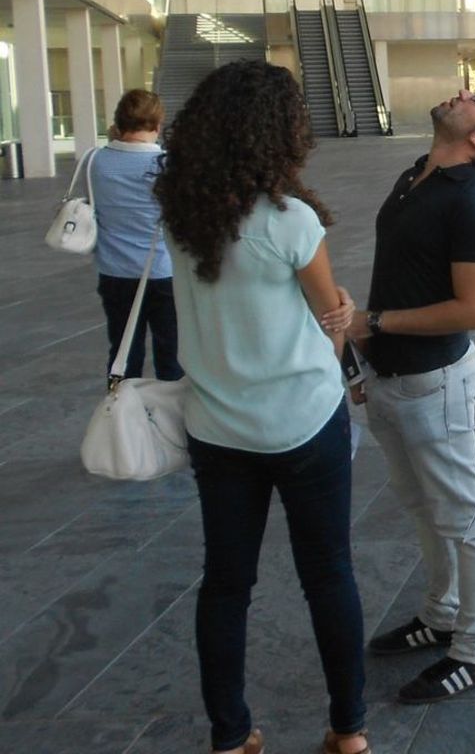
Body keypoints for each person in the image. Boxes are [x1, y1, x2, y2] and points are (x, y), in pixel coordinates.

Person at [153, 61, 368, 754]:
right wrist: (343, 327)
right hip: (304, 422)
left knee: (225, 584)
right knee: (328, 573)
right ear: (280, 133)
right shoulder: (289, 220)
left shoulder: (180, 214)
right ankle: (349, 731)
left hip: (217, 425)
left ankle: (231, 735)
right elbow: (331, 316)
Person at [343, 87, 475, 704]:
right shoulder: (416, 174)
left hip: (433, 384)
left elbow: (474, 310)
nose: (466, 93)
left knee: (464, 516)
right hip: (392, 376)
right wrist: (368, 357)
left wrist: (375, 324)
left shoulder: (472, 203)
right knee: (422, 506)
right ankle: (442, 612)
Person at [91, 88, 181, 380]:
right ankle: (169, 419)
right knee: (172, 355)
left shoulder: (95, 161)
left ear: (119, 123)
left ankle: (120, 419)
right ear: (157, 126)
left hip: (114, 271)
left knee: (122, 352)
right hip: (164, 271)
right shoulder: (168, 165)